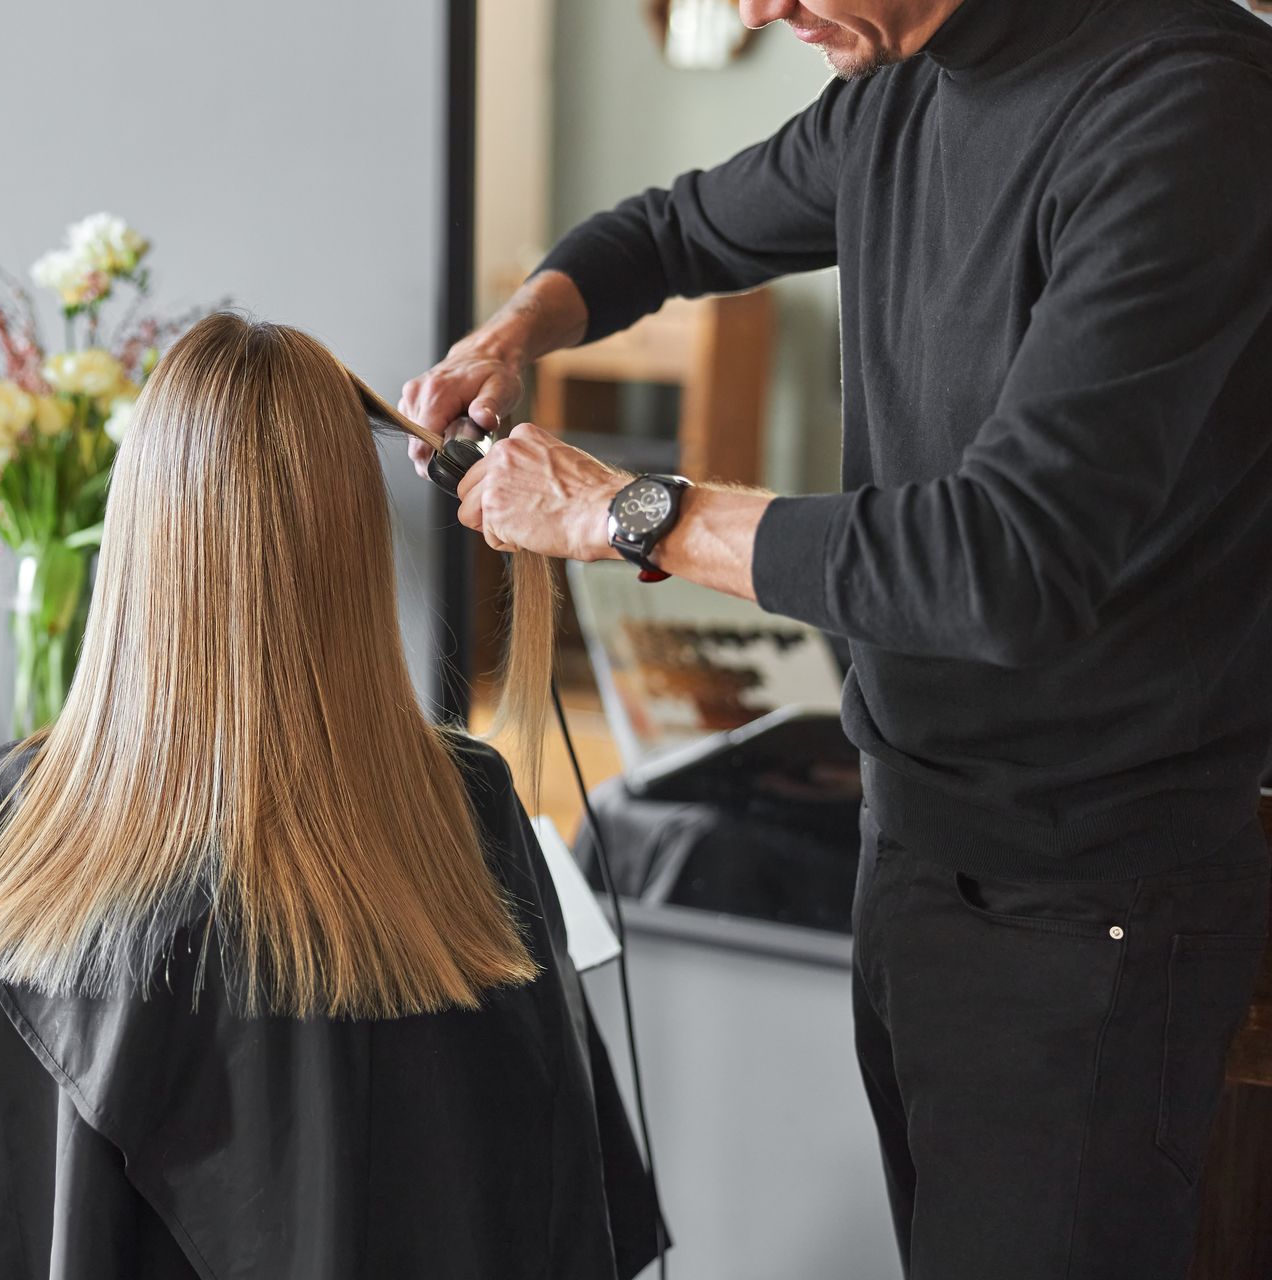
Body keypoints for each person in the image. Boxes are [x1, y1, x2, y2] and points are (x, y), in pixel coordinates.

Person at [403, 0, 1272, 1275]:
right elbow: (673, 229)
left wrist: (621, 512)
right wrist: (517, 329)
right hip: (912, 841)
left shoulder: (1190, 113)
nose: (755, 9)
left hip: (1092, 898)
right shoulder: (898, 83)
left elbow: (1004, 561)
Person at [0, 313, 661, 1279]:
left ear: (140, 528)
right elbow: (564, 1183)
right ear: (355, 534)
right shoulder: (470, 807)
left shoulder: (10, 819)